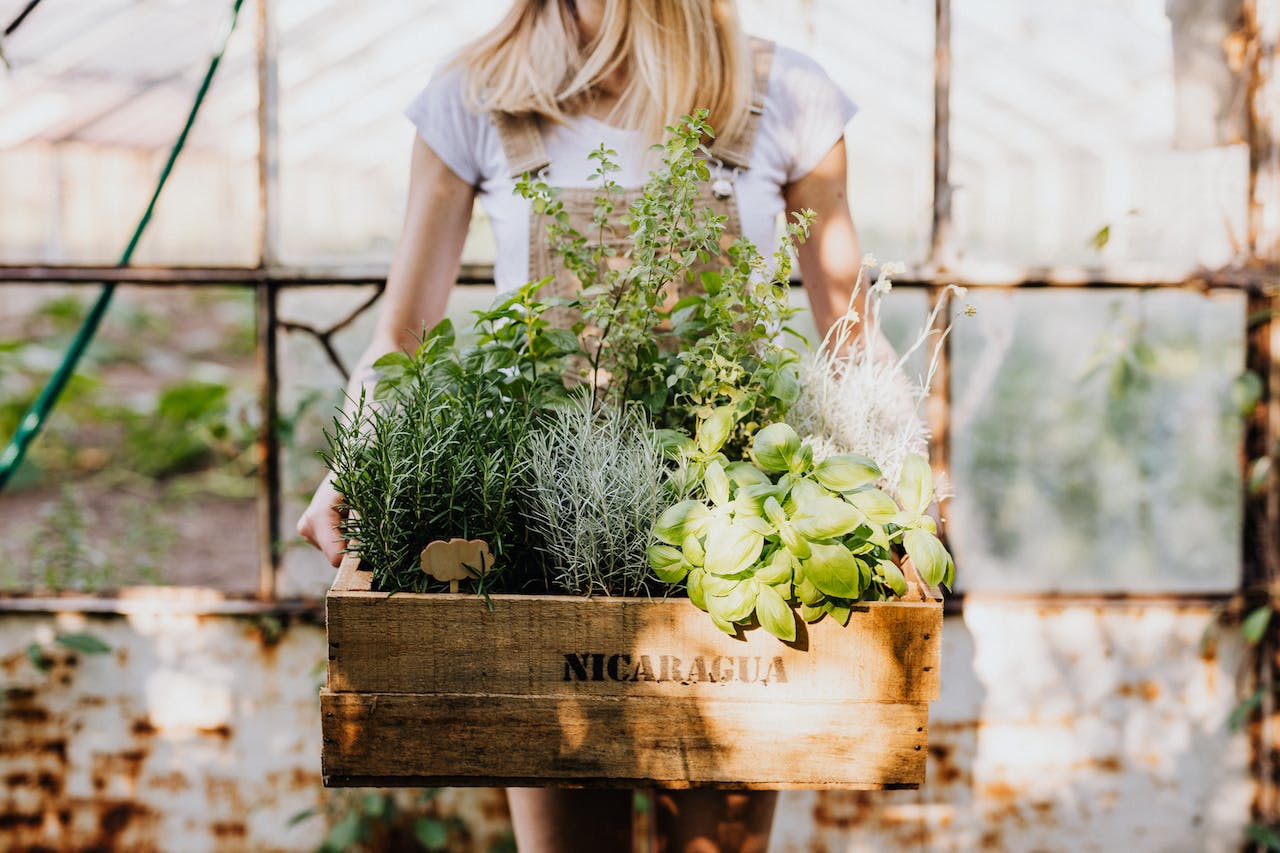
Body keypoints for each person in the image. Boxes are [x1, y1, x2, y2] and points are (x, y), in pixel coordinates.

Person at [298, 1, 862, 850]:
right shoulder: (480, 90)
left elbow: (850, 337)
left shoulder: (783, 93)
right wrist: (355, 459)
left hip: (730, 542)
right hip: (549, 544)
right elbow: (402, 336)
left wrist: (904, 477)